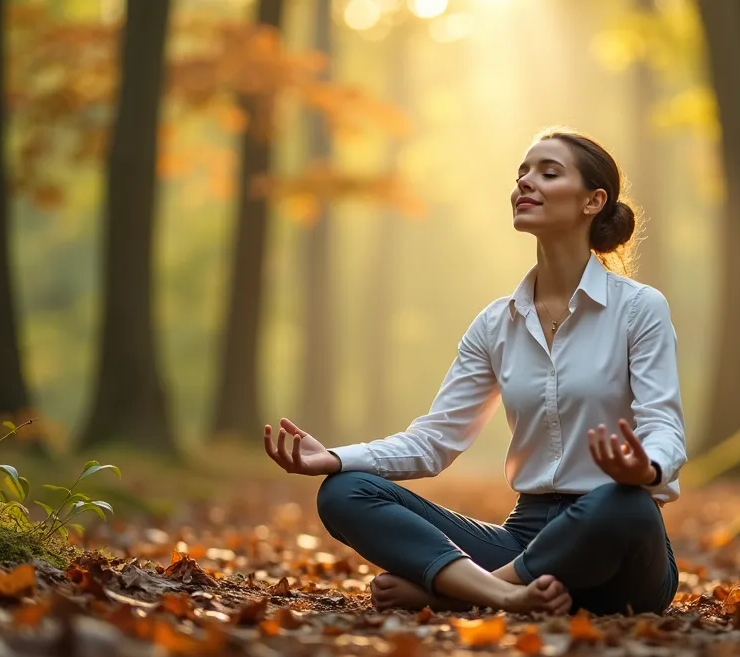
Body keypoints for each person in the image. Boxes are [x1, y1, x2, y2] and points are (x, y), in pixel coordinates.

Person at [262, 128, 687, 617]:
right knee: (345, 491)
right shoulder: (495, 323)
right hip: (524, 540)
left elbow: (663, 425)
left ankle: (453, 591)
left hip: (617, 550)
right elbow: (436, 440)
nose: (525, 182)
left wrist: (646, 468)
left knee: (624, 504)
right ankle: (504, 594)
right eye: (522, 173)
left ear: (593, 201)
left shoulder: (639, 308)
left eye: (548, 173)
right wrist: (335, 458)